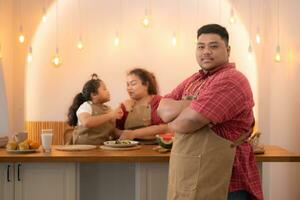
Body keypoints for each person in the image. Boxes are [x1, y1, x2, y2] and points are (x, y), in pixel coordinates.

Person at [157, 24, 263, 200]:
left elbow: (186, 122)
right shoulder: (195, 78)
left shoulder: (232, 79)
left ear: (227, 50)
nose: (206, 51)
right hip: (189, 174)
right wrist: (193, 104)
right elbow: (163, 109)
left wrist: (178, 115)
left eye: (213, 46)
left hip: (227, 181)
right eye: (201, 46)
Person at [67, 74, 123, 145]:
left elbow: (112, 131)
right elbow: (87, 122)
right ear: (94, 94)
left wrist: (125, 133)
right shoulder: (86, 106)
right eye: (104, 89)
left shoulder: (108, 109)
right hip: (82, 150)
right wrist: (111, 115)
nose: (108, 91)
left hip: (101, 149)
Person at [117, 68, 169, 141]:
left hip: (153, 148)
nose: (129, 88)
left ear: (146, 84)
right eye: (127, 85)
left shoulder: (158, 101)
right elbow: (115, 130)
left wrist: (133, 134)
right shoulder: (125, 105)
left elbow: (165, 128)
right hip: (128, 148)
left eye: (133, 84)